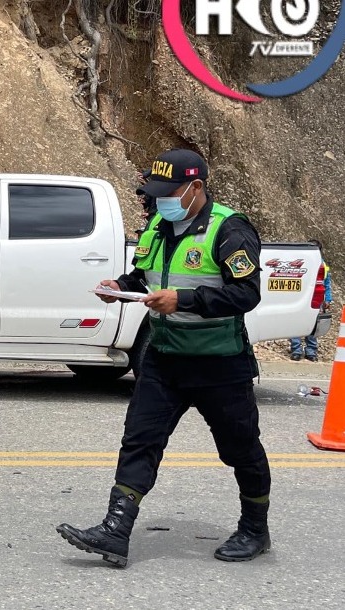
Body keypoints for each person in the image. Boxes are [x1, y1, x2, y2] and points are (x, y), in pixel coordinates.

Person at [57, 148, 271, 567]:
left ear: (195, 188)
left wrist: (184, 299)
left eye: (168, 193)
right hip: (164, 357)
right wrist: (117, 284)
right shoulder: (159, 224)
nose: (160, 202)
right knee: (139, 440)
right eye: (155, 193)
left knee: (240, 448)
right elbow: (143, 274)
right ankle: (115, 532)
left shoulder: (230, 230)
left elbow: (247, 294)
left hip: (220, 364)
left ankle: (254, 530)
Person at [290, 260, 331, 361]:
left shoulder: (323, 265)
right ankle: (296, 350)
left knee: (313, 325)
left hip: (316, 298)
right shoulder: (302, 262)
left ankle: (311, 351)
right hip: (301, 298)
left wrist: (328, 299)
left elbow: (327, 283)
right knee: (297, 323)